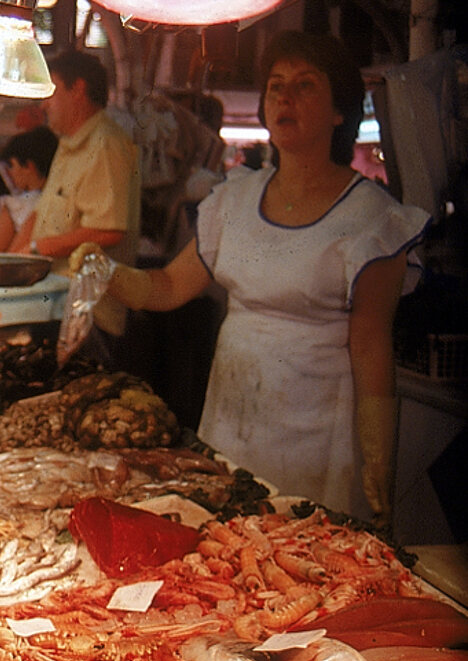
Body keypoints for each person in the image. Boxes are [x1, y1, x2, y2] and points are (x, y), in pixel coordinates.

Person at [69, 31, 430, 524]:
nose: (285, 97)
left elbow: (371, 345)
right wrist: (106, 272)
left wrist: (377, 457)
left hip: (318, 429)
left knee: (303, 551)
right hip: (233, 416)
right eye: (276, 86)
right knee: (232, 544)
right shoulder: (233, 201)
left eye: (305, 86)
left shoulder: (373, 219)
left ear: (340, 110)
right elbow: (172, 286)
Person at [22, 49, 141, 339]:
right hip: (55, 302)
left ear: (78, 89)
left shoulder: (106, 144)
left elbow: (108, 231)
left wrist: (40, 248)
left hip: (89, 317)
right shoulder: (68, 145)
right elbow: (43, 213)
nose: (44, 103)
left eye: (51, 91)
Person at [0, 125, 58, 253]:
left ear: (29, 166)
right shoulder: (57, 201)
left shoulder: (14, 206)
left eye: (12, 165)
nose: (10, 172)